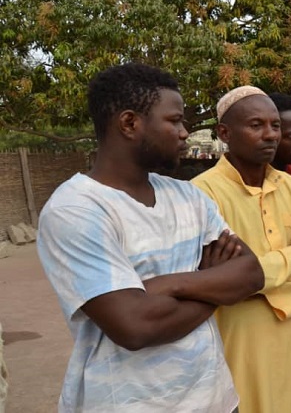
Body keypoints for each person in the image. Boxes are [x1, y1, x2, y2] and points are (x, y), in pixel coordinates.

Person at [37, 63, 264, 412]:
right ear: (130, 124)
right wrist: (214, 285)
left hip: (215, 398)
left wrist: (166, 285)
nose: (185, 132)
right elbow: (135, 327)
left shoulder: (189, 196)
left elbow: (251, 274)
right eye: (174, 120)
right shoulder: (76, 210)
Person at [192, 87, 291, 413]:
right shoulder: (201, 195)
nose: (271, 134)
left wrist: (252, 278)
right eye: (256, 125)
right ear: (224, 133)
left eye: (275, 125)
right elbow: (216, 280)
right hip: (240, 342)